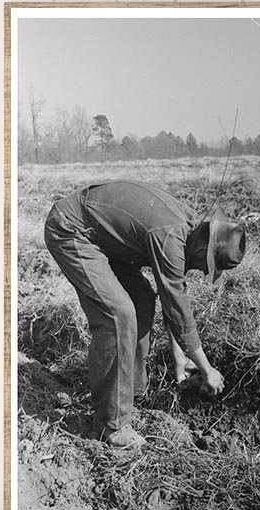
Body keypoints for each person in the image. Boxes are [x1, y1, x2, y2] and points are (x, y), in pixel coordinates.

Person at [43, 180, 246, 449]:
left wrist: (180, 357)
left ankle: (131, 393)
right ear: (202, 251)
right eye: (203, 266)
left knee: (141, 300)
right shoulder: (171, 235)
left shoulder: (192, 230)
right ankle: (114, 425)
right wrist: (207, 369)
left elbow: (171, 298)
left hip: (105, 238)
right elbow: (177, 303)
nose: (197, 270)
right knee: (118, 314)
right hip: (72, 230)